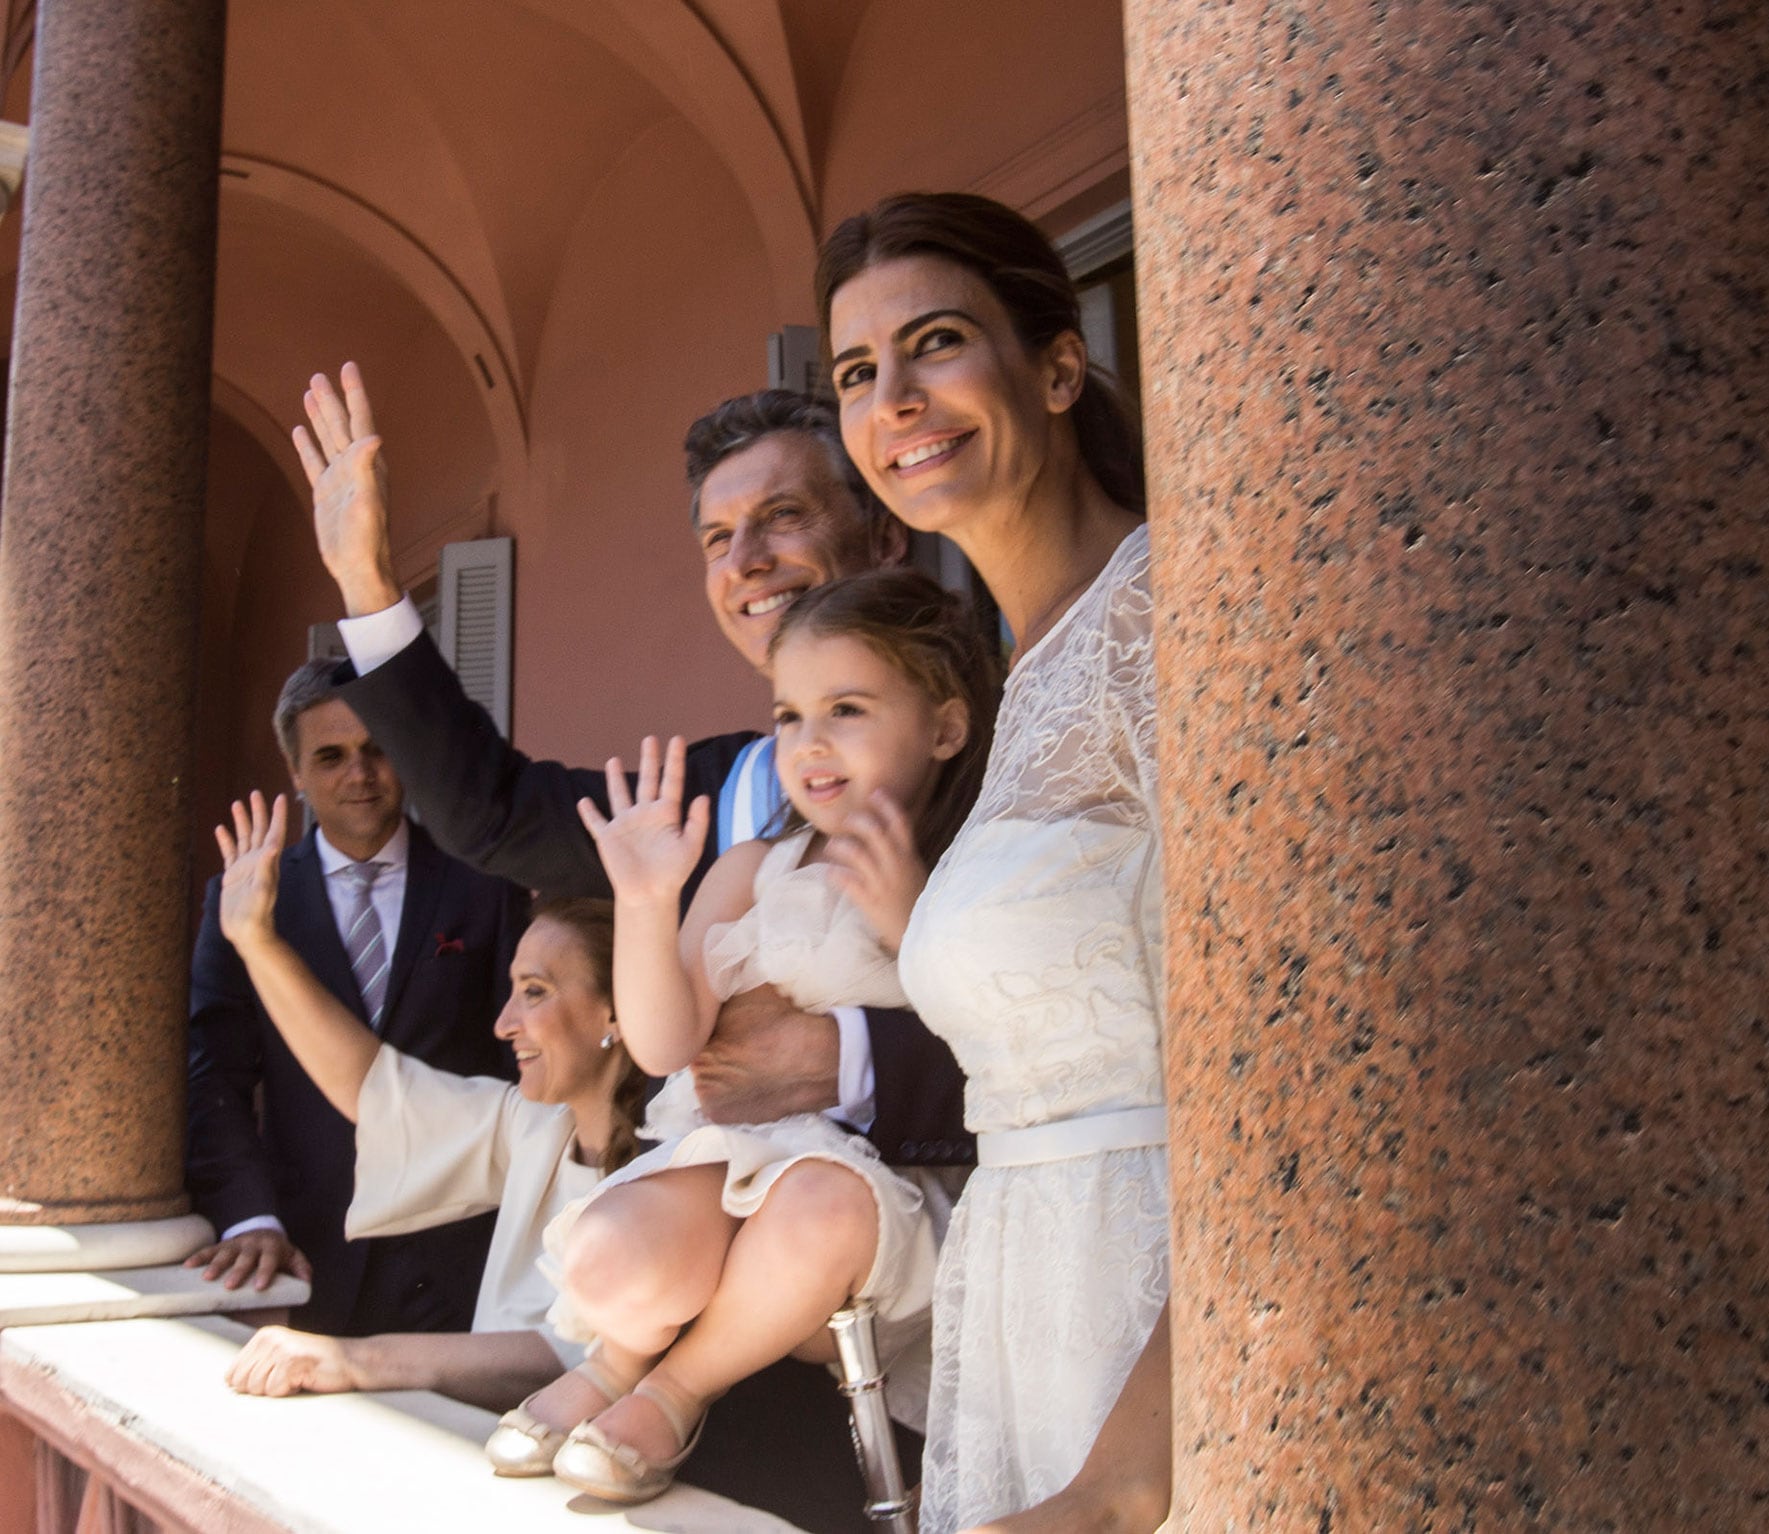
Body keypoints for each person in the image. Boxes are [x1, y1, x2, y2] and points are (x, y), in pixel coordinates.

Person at [295, 369, 970, 1166]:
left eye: (783, 516)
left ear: (885, 538)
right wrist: (368, 584)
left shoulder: (986, 765)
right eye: (718, 538)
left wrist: (850, 1057)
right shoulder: (689, 805)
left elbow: (1077, 1031)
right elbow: (489, 811)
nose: (746, 561)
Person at [817, 192, 1171, 1533]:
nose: (894, 398)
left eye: (939, 343)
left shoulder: (1163, 618)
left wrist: (1124, 1482)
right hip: (1033, 1306)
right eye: (858, 374)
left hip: (1159, 1345)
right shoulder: (1019, 674)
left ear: (1059, 366)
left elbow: (1299, 1070)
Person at [511, 570, 998, 1506]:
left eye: (846, 709)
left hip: (868, 1198)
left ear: (944, 726)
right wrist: (648, 906)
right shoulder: (749, 868)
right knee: (607, 1257)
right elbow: (662, 1047)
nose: (808, 744)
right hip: (731, 1159)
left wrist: (910, 924)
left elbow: (985, 1031)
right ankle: (618, 1355)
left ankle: (671, 1389)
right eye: (787, 716)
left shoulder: (964, 868)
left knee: (820, 1206)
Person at [207, 796, 639, 1418]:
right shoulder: (536, 1125)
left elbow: (579, 1356)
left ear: (616, 1011)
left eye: (535, 993)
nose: (504, 1023)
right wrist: (255, 942)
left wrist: (355, 1360)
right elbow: (374, 1089)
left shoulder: (675, 1161)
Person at [184, 661, 527, 1337]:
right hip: (308, 1255)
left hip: (463, 1252)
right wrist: (251, 1215)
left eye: (377, 750)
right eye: (331, 756)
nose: (359, 776)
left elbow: (524, 1062)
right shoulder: (248, 900)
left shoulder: (484, 884)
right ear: (296, 770)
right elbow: (212, 1072)